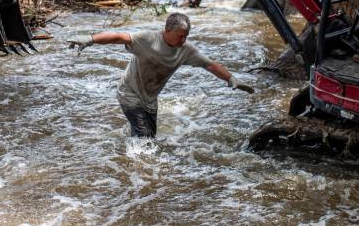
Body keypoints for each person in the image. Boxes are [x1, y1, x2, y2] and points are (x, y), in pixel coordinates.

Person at [67, 13, 253, 138]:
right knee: (145, 140)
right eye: (180, 36)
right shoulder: (147, 39)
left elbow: (210, 65)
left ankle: (127, 153)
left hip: (150, 98)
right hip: (129, 93)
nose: (183, 40)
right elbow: (119, 37)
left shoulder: (185, 50)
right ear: (167, 30)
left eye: (186, 36)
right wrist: (90, 40)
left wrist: (231, 79)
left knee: (149, 137)